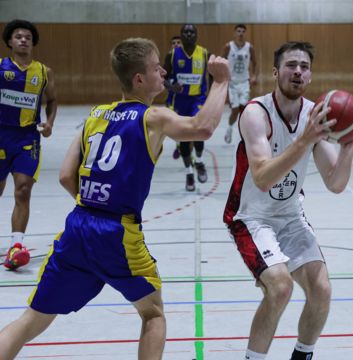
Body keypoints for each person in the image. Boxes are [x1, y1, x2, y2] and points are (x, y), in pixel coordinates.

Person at [0, 38, 229, 359]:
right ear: (139, 79)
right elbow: (203, 127)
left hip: (77, 227)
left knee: (31, 320)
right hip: (118, 234)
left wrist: (95, 200)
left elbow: (67, 175)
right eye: (155, 68)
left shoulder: (95, 115)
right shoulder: (153, 117)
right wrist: (220, 82)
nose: (163, 71)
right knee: (153, 314)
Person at [223, 41, 353, 360]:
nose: (298, 71)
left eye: (304, 66)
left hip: (290, 215)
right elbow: (262, 177)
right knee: (280, 287)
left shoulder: (314, 114)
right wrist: (306, 140)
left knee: (321, 289)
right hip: (250, 217)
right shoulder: (255, 113)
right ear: (275, 72)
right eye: (291, 65)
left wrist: (349, 146)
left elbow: (335, 183)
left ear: (310, 76)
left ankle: (303, 356)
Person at [0, 19, 58, 270]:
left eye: (27, 37)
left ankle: (16, 244)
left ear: (33, 43)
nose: (23, 40)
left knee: (23, 190)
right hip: (1, 135)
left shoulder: (44, 72)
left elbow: (52, 101)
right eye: (18, 36)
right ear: (10, 42)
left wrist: (49, 123)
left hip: (27, 138)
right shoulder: (0, 68)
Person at [163, 24, 211, 191]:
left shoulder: (204, 53)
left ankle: (198, 160)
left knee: (199, 131)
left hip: (198, 99)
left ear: (196, 35)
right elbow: (163, 78)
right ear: (181, 35)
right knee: (183, 137)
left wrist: (211, 96)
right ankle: (189, 173)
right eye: (186, 32)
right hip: (180, 101)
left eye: (192, 32)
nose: (189, 34)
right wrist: (171, 86)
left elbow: (211, 76)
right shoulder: (172, 55)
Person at [223, 24, 257, 144]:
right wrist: (224, 76)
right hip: (232, 83)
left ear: (245, 33)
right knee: (235, 110)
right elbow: (223, 62)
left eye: (243, 31)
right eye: (238, 31)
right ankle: (229, 129)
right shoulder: (228, 46)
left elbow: (254, 62)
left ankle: (244, 133)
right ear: (235, 33)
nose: (241, 33)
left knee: (244, 107)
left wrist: (253, 75)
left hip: (244, 82)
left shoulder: (249, 47)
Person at [166, 35, 183, 160]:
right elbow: (162, 79)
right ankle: (179, 145)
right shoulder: (169, 59)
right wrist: (171, 87)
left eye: (178, 42)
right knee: (176, 125)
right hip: (172, 100)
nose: (176, 44)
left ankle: (184, 147)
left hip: (189, 99)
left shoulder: (188, 60)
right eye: (173, 43)